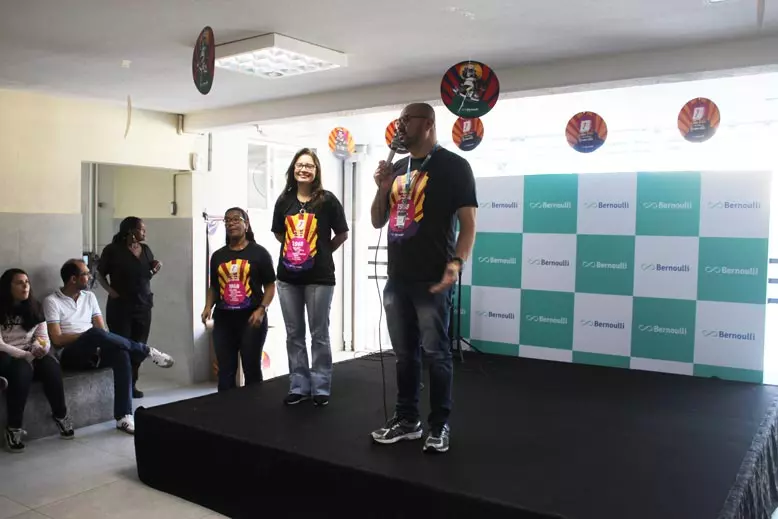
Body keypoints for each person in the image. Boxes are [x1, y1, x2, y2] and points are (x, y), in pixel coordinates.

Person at [369, 103, 477, 454]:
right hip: (398, 277)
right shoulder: (399, 167)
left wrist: (456, 263)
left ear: (428, 123)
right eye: (399, 120)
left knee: (437, 354)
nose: (400, 126)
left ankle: (439, 424)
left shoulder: (454, 166)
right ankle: (407, 420)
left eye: (407, 120)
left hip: (432, 278)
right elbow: (376, 220)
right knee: (404, 355)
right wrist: (383, 187)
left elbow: (469, 224)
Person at [44, 259, 174, 435]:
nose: (90, 277)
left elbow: (102, 330)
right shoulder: (52, 301)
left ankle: (124, 417)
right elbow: (57, 339)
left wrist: (94, 337)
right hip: (70, 355)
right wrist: (88, 335)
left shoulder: (89, 297)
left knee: (121, 354)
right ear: (73, 279)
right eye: (86, 274)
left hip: (95, 350)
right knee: (94, 333)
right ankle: (145, 350)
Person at [271, 148, 349, 407]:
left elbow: (341, 234)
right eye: (300, 165)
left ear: (316, 171)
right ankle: (299, 386)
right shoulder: (284, 200)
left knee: (319, 334)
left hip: (319, 278)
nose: (304, 169)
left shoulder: (327, 200)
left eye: (309, 166)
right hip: (287, 278)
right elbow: (279, 233)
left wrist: (320, 252)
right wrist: (296, 254)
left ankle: (320, 387)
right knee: (294, 334)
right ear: (293, 169)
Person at [201, 207, 276, 392]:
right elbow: (214, 286)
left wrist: (262, 309)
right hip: (224, 319)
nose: (231, 223)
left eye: (236, 219)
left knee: (251, 368)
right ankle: (226, 408)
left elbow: (270, 285)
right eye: (227, 220)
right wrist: (208, 306)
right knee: (225, 370)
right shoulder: (218, 256)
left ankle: (254, 406)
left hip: (251, 318)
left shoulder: (259, 253)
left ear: (246, 224)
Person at [0, 269, 74, 452]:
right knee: (22, 370)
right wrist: (27, 356)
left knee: (51, 366)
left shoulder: (35, 307)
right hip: (7, 355)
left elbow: (42, 337)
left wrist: (40, 348)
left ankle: (61, 415)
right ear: (7, 287)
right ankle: (13, 428)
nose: (25, 286)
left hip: (29, 353)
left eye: (26, 282)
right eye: (19, 283)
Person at [96, 216, 162, 399]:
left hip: (143, 305)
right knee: (122, 346)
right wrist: (110, 291)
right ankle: (121, 386)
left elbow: (145, 274)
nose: (145, 232)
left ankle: (132, 383)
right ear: (131, 231)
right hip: (120, 307)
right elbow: (99, 274)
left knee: (139, 346)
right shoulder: (112, 250)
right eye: (142, 229)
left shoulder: (145, 250)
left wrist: (155, 268)